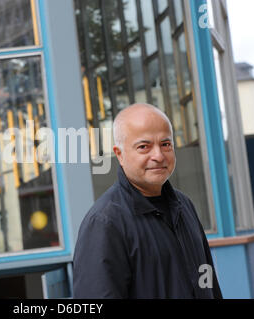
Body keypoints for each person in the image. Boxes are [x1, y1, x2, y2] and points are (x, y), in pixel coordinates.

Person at [73, 103, 223, 299]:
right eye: (144, 147)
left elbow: (207, 279)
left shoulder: (184, 206)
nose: (158, 156)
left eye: (165, 144)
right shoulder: (105, 223)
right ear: (120, 154)